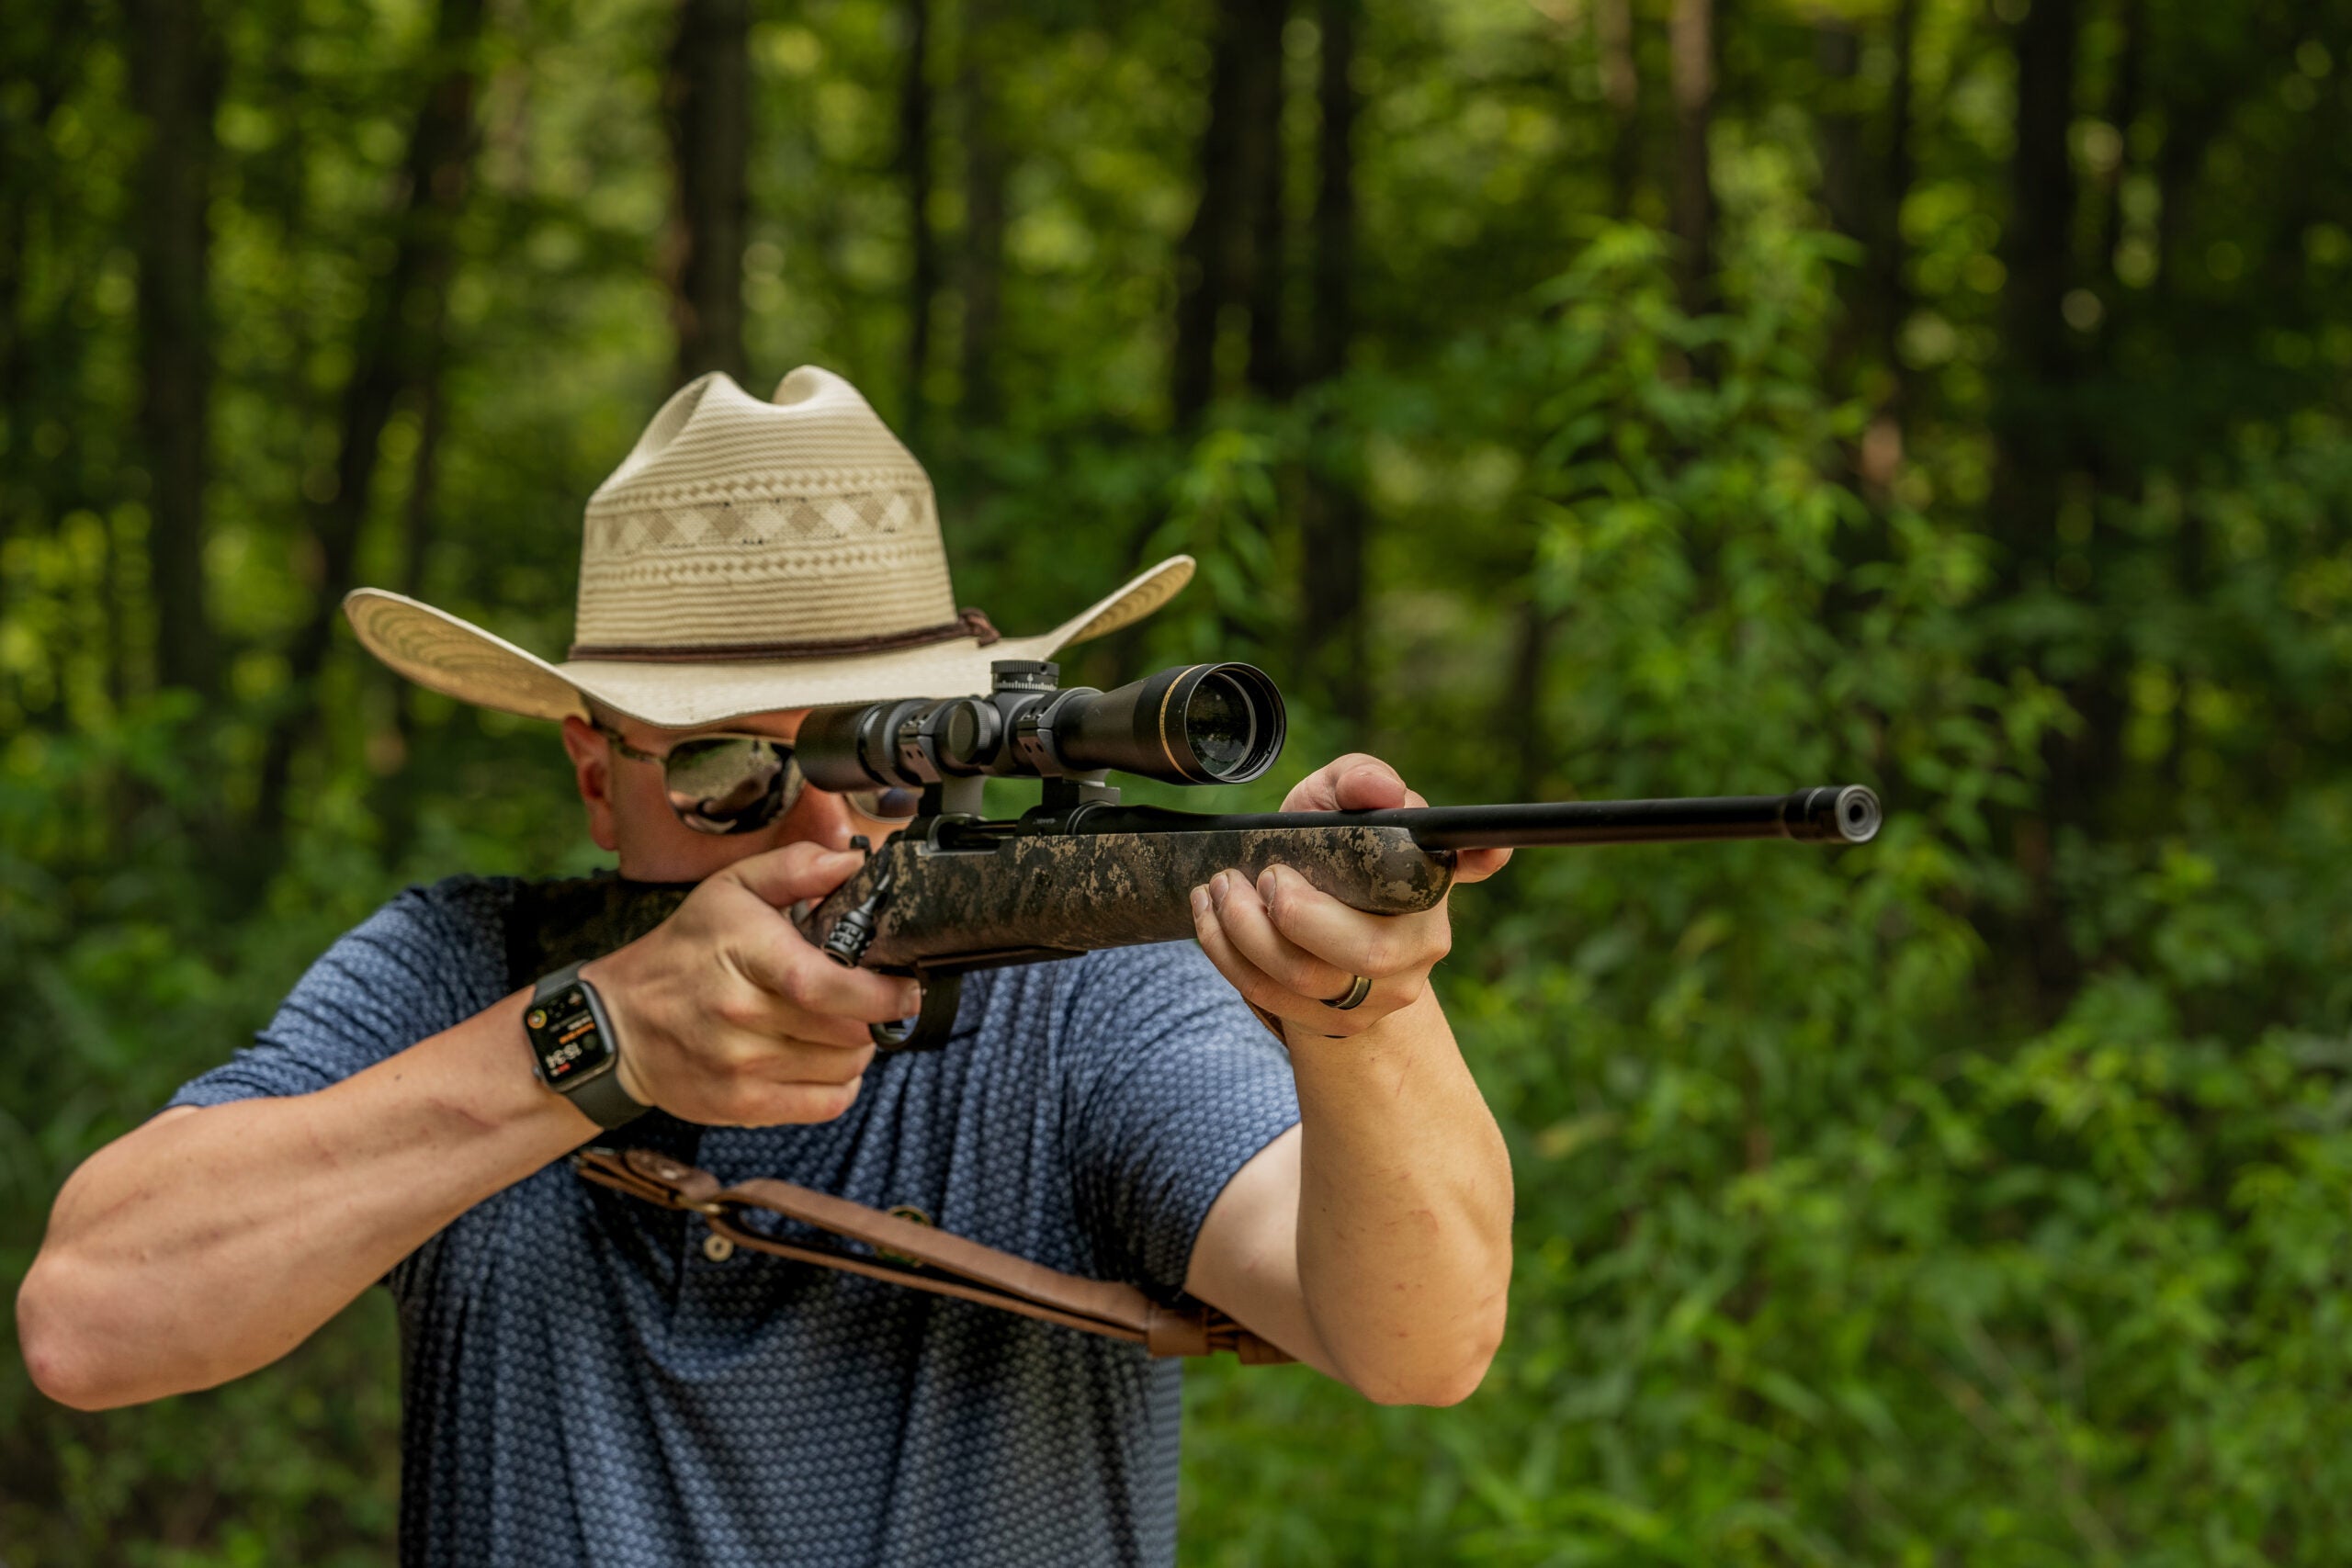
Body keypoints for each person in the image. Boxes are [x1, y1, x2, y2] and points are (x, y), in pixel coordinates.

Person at [19, 367, 1514, 1567]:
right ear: (596, 774)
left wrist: (1367, 1017)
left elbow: (1421, 1341)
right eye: (726, 773)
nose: (813, 829)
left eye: (878, 763)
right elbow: (91, 1322)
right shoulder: (462, 969)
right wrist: (586, 1043)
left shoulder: (1076, 991)